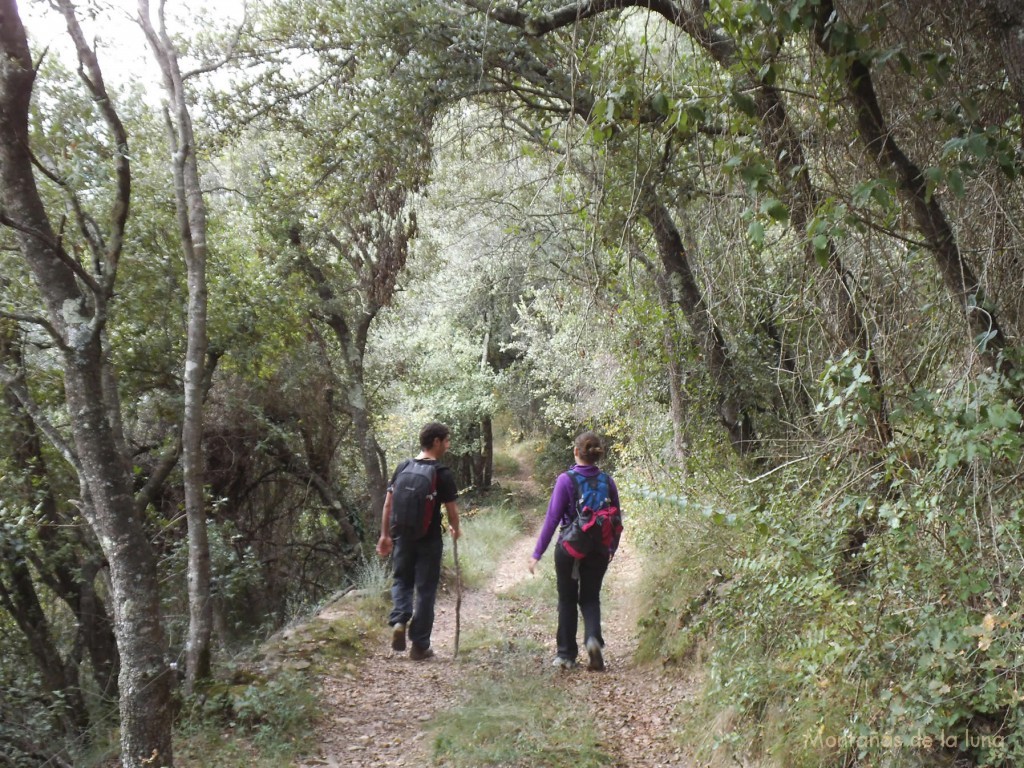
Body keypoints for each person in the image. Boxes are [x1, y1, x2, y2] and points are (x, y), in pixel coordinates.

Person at [528, 431, 621, 671]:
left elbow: (551, 519)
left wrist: (537, 553)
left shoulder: (565, 480)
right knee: (590, 598)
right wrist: (611, 547)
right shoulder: (607, 481)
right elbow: (617, 518)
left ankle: (566, 655)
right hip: (599, 548)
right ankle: (593, 639)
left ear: (576, 452)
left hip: (569, 548)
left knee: (567, 599)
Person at [376, 422, 461, 660]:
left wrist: (384, 535)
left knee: (402, 580)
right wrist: (456, 529)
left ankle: (400, 620)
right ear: (436, 442)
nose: (448, 445)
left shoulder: (403, 467)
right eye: (446, 440)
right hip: (429, 538)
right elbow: (452, 510)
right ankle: (420, 645)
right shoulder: (441, 473)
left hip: (402, 536)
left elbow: (387, 504)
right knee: (425, 590)